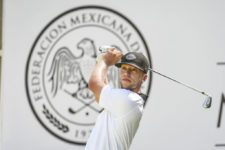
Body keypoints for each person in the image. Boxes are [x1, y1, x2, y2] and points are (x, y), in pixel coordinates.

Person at [85, 47, 149, 150]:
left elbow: (94, 84)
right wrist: (100, 61)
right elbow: (99, 96)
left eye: (133, 70)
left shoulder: (130, 100)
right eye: (124, 68)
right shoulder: (126, 99)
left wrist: (105, 61)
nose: (126, 73)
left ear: (144, 78)